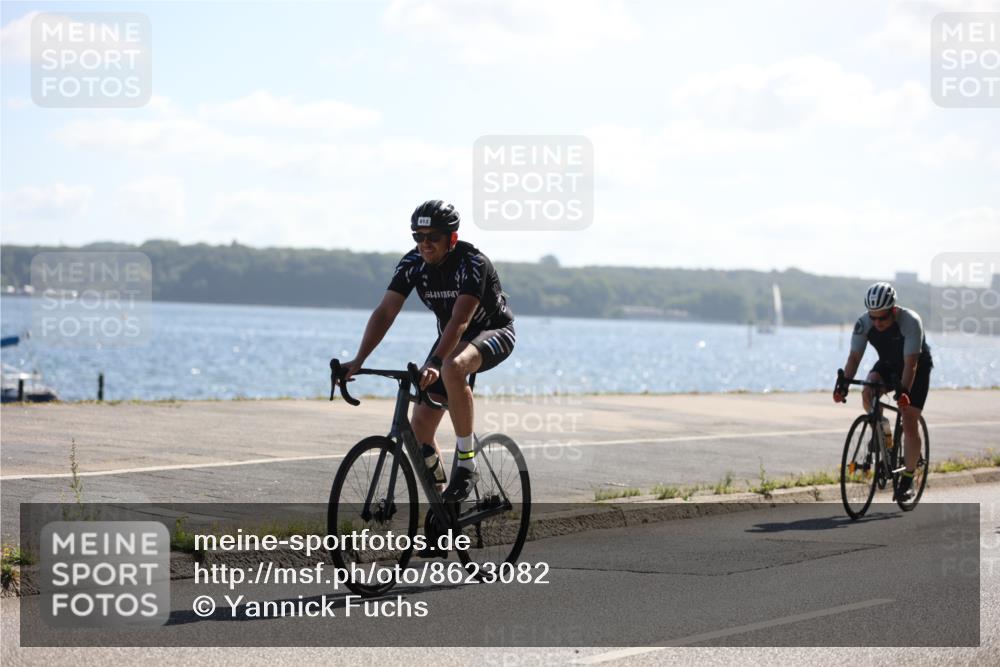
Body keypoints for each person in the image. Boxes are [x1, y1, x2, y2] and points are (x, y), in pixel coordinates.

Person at [341, 200, 515, 502]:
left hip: (492, 332)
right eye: (417, 236)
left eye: (432, 236)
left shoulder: (473, 263)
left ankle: (467, 463)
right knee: (420, 424)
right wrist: (359, 360)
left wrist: (436, 360)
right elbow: (386, 311)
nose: (425, 244)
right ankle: (441, 508)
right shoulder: (412, 264)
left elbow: (461, 320)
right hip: (450, 339)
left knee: (453, 368)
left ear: (452, 239)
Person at [834, 282, 933, 500]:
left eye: (883, 318)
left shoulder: (910, 321)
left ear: (893, 311)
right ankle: (883, 430)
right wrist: (843, 385)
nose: (877, 322)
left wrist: (904, 392)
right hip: (888, 364)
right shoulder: (863, 323)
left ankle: (908, 478)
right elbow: (854, 358)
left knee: (908, 420)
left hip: (915, 368)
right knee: (869, 390)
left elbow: (911, 364)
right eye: (874, 317)